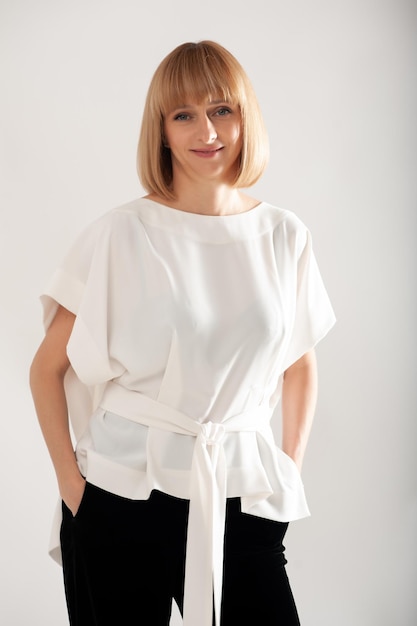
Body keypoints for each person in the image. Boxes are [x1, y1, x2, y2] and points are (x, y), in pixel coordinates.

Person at [30, 40, 336, 626]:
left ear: (245, 117)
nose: (207, 131)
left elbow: (299, 362)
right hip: (123, 495)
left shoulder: (283, 235)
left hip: (241, 492)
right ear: (162, 131)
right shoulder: (121, 233)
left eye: (222, 109)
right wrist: (75, 491)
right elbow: (47, 369)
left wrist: (288, 470)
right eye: (184, 114)